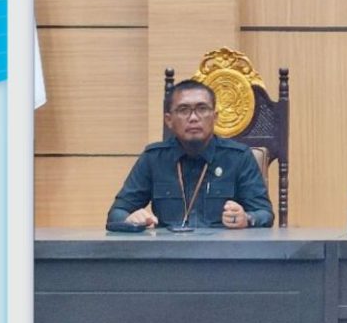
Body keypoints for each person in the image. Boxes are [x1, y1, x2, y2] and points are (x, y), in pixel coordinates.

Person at [106, 80, 274, 229]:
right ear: (169, 120)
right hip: (169, 251)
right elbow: (116, 213)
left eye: (202, 109)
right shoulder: (153, 158)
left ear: (215, 117)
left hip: (222, 252)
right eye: (183, 110)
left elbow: (264, 213)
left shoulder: (238, 157)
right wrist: (130, 219)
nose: (193, 118)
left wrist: (247, 218)